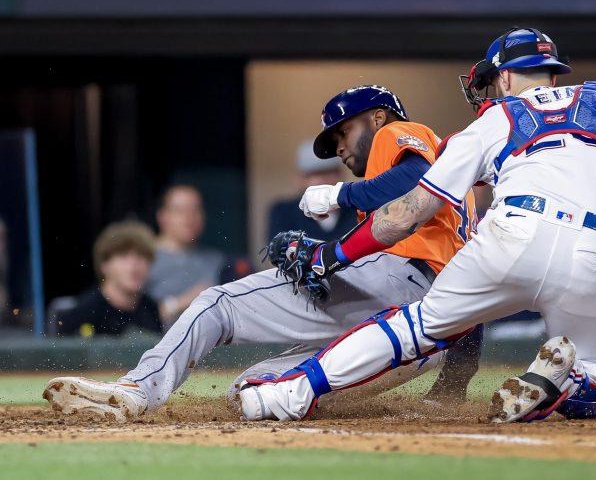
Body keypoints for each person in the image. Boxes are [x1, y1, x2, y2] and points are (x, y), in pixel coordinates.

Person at [237, 27, 596, 423]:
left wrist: (331, 255)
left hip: (511, 237)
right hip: (595, 251)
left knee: (414, 327)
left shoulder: (493, 119)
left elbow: (407, 213)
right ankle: (570, 377)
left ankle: (286, 394)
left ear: (503, 75)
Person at [43, 85, 478, 421]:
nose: (340, 147)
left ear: (378, 116)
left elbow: (417, 181)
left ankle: (138, 390)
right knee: (250, 390)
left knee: (218, 303)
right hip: (426, 327)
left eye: (344, 131)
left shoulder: (402, 132)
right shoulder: (461, 192)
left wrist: (340, 196)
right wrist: (453, 385)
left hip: (394, 279)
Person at [56, 221, 161, 337]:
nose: (133, 266)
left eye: (141, 257)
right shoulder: (84, 313)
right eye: (123, 256)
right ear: (104, 265)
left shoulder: (151, 309)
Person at [146, 184, 225, 327]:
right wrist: (181, 302)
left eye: (195, 210)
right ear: (162, 217)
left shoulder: (216, 260)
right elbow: (129, 315)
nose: (189, 217)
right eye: (180, 210)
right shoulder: (142, 259)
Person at [267, 141, 359, 242]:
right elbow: (280, 252)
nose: (323, 180)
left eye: (329, 172)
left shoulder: (356, 210)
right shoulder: (284, 213)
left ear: (340, 174)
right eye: (316, 174)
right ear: (300, 179)